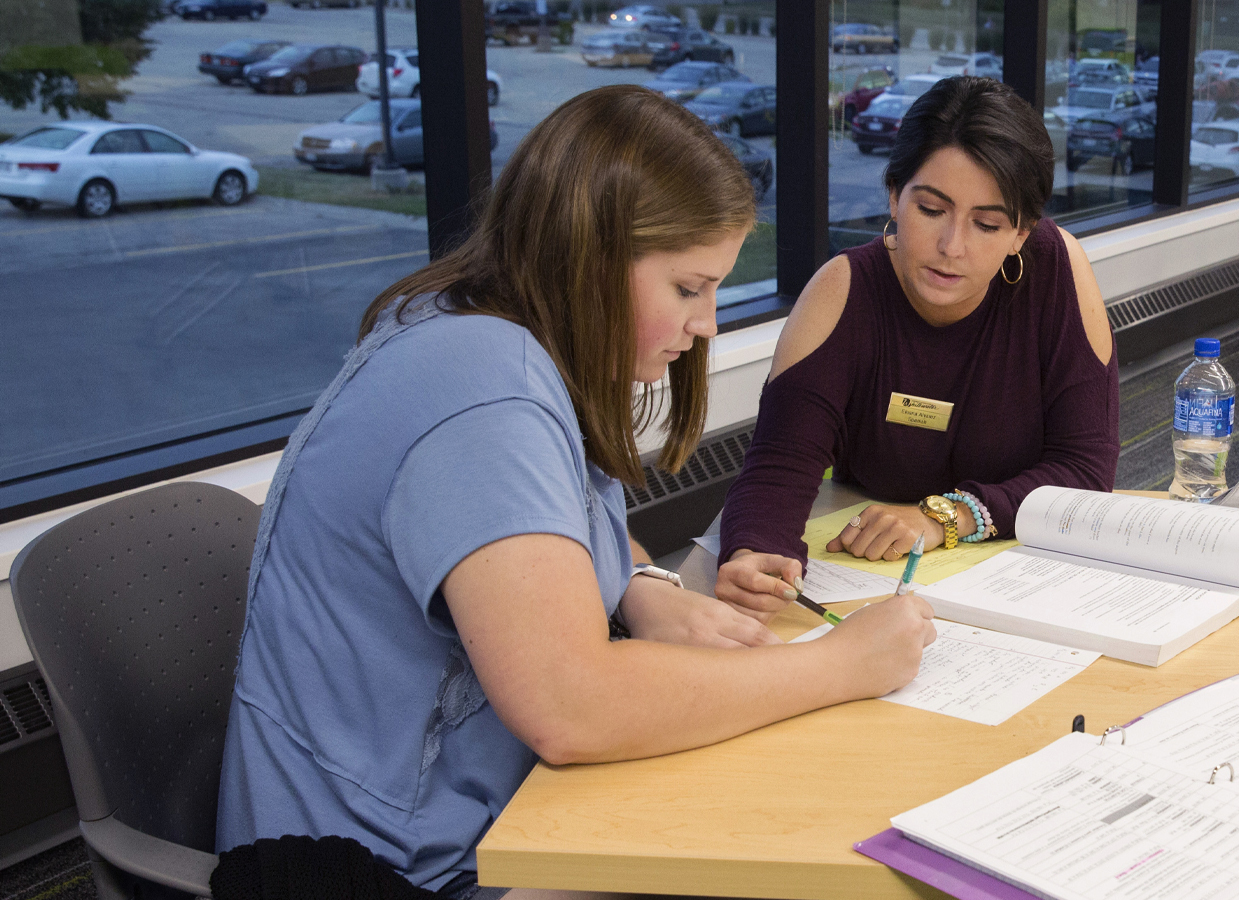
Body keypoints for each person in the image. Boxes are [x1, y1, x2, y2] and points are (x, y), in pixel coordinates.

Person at [215, 85, 937, 898]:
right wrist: (841, 666)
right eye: (688, 288)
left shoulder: (481, 332)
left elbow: (558, 528)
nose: (707, 324)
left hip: (443, 817)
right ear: (593, 259)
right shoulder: (485, 395)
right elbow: (571, 706)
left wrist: (641, 586)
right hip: (384, 866)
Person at [715, 76, 1118, 610]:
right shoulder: (843, 288)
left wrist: (947, 516)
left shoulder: (1057, 270)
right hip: (873, 580)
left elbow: (1086, 471)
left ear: (1022, 232)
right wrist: (755, 554)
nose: (953, 247)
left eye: (988, 224)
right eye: (930, 210)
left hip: (1027, 579)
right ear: (893, 195)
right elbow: (778, 468)